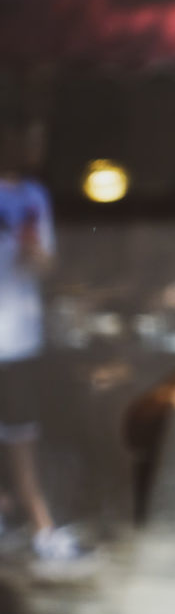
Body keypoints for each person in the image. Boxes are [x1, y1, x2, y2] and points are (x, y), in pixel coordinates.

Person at [0, 156, 74, 565]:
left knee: (21, 438)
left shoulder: (33, 195)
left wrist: (33, 255)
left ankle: (42, 530)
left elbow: (46, 263)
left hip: (20, 339)